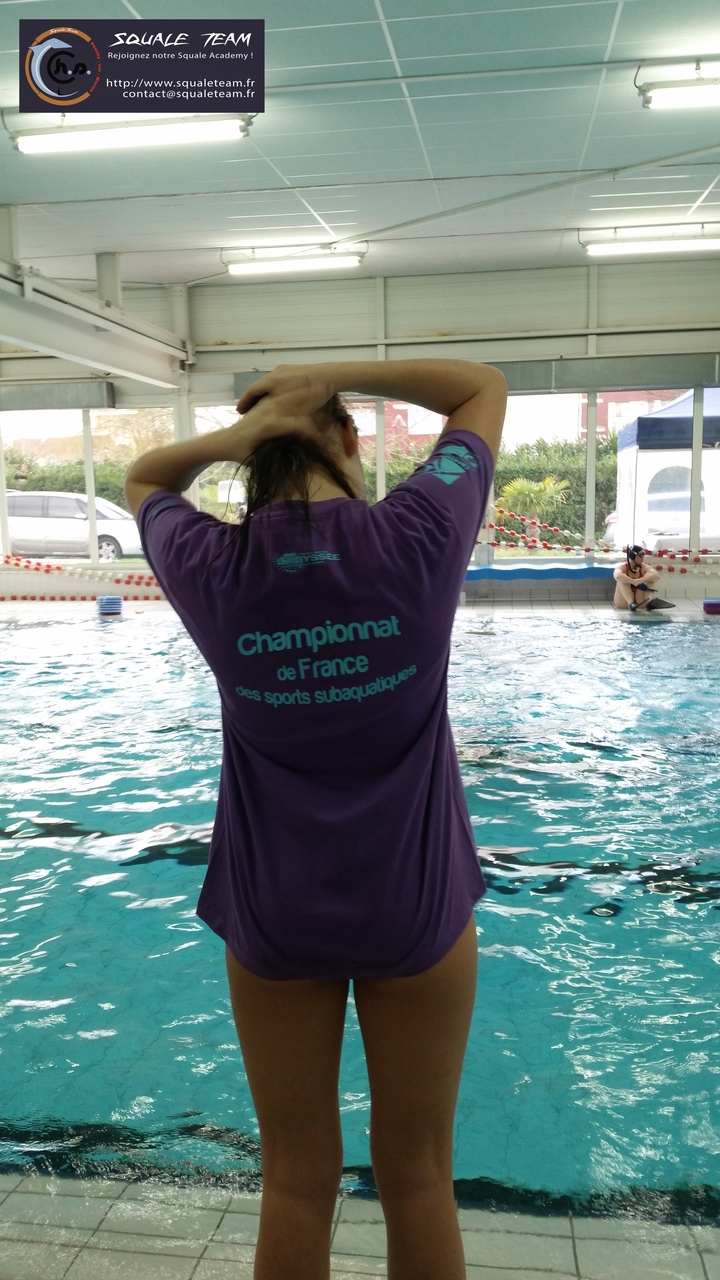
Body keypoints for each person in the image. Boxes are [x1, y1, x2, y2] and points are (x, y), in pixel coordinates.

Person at [124, 359, 507, 1280]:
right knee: (419, 1176)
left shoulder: (213, 567)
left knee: (296, 1180)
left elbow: (143, 480)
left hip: (275, 913)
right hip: (416, 905)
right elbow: (480, 388)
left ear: (251, 460)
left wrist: (240, 433)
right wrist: (325, 375)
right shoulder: (418, 535)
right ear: (350, 438)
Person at [613, 545, 672, 611]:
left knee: (650, 579)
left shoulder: (644, 567)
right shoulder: (622, 567)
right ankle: (631, 603)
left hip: (641, 600)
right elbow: (617, 576)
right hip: (624, 602)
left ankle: (649, 602)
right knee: (622, 580)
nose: (643, 558)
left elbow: (656, 576)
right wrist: (633, 581)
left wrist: (641, 580)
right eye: (640, 555)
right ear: (633, 556)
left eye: (643, 555)